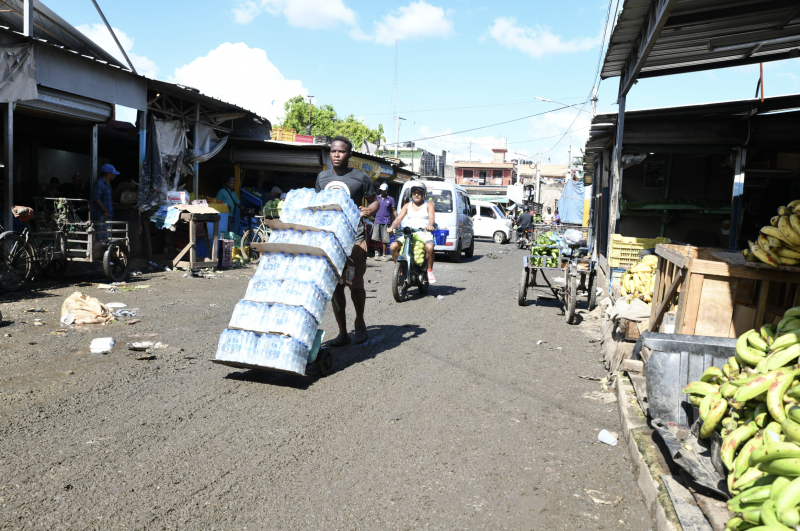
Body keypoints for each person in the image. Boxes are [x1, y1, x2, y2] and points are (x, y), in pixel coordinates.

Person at [316, 136, 379, 347]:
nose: (336, 154)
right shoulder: (322, 178)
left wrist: (369, 210)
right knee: (335, 287)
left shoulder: (361, 178)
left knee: (355, 283)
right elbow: (317, 204)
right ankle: (343, 332)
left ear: (349, 155)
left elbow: (374, 202)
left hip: (354, 239)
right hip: (330, 240)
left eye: (341, 151)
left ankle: (359, 320)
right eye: (333, 151)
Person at [389, 182, 436, 284]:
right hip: (410, 233)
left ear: (423, 194)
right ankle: (401, 269)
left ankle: (429, 271)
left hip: (424, 233)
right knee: (393, 246)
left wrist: (430, 225)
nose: (416, 195)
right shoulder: (407, 205)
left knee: (430, 247)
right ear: (411, 194)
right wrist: (392, 227)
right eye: (414, 192)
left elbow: (431, 217)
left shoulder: (429, 204)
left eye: (419, 192)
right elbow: (398, 218)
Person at [371, 183, 396, 260]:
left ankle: (384, 255)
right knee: (375, 238)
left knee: (385, 239)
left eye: (384, 191)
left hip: (386, 221)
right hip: (377, 220)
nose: (382, 192)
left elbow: (394, 210)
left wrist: (397, 221)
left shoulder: (391, 199)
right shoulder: (376, 198)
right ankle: (376, 252)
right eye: (381, 190)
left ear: (387, 190)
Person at [94, 164, 119, 241]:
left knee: (106, 237)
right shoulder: (101, 183)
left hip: (108, 215)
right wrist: (105, 210)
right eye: (113, 174)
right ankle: (99, 253)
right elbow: (97, 198)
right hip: (102, 215)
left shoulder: (108, 184)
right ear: (108, 174)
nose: (115, 175)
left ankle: (104, 252)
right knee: (101, 238)